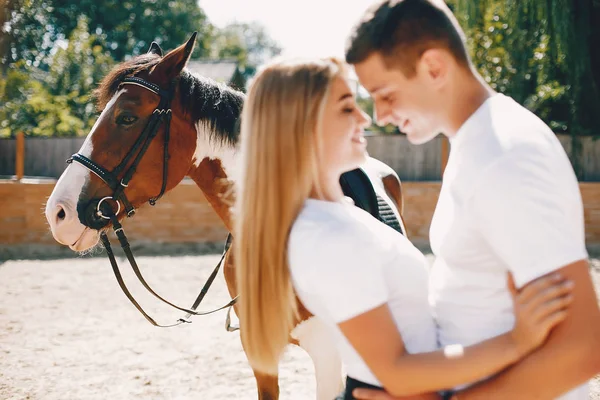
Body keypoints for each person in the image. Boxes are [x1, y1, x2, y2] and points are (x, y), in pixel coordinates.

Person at [234, 56, 574, 400]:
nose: (365, 118)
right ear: (301, 125)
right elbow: (398, 372)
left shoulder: (338, 214)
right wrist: (517, 342)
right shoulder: (326, 236)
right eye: (346, 107)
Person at [343, 1, 600, 399]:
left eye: (385, 94)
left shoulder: (507, 155)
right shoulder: (475, 143)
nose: (379, 114)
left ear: (434, 68)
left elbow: (581, 348)